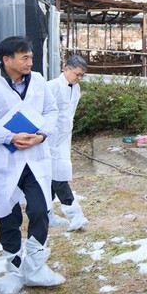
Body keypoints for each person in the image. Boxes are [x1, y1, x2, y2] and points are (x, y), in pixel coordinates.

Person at [0, 36, 65, 294]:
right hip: (3, 159)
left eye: (31, 57)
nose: (30, 61)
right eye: (24, 57)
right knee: (8, 215)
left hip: (34, 157)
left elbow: (51, 111)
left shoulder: (39, 82)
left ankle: (35, 267)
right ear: (6, 59)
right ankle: (14, 269)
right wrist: (8, 136)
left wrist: (41, 134)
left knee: (40, 209)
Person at [46, 55, 89, 231]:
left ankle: (46, 215)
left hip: (64, 139)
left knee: (53, 178)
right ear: (66, 69)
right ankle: (75, 215)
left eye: (81, 76)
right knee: (59, 178)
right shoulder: (51, 87)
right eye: (77, 74)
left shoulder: (76, 88)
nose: (79, 78)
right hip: (49, 140)